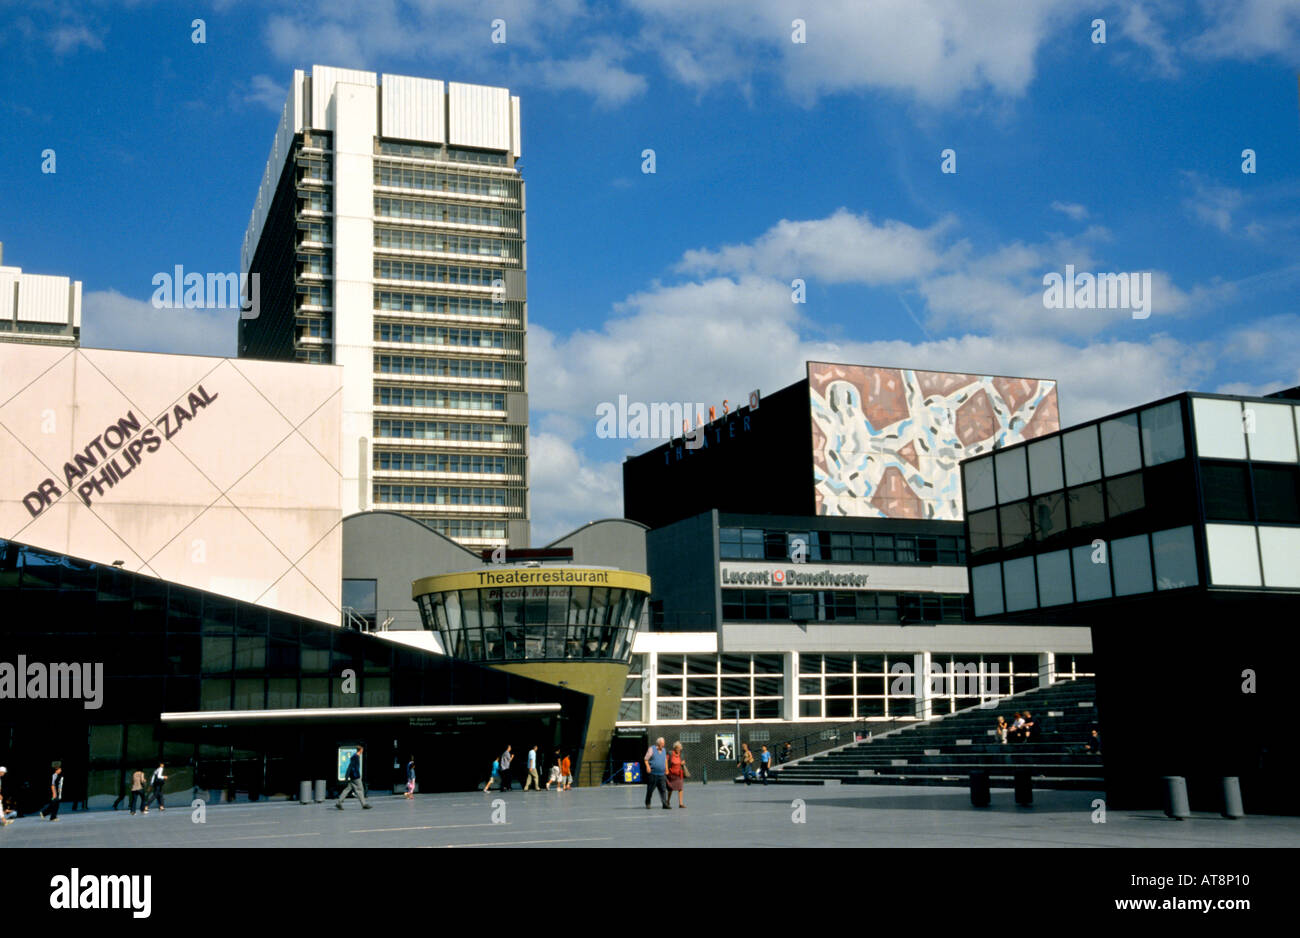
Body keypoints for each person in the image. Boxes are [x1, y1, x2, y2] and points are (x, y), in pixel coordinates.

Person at [644, 737, 670, 809]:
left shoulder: (664, 750)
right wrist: (648, 766)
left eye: (663, 744)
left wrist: (667, 769)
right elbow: (646, 759)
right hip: (653, 774)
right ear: (658, 744)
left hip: (662, 774)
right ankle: (648, 802)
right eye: (662, 744)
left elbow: (665, 760)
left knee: (663, 790)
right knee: (650, 790)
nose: (663, 745)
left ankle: (664, 804)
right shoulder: (651, 749)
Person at [666, 742, 688, 808]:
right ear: (675, 748)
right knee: (670, 788)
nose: (679, 749)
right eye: (677, 748)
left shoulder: (681, 754)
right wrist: (666, 769)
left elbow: (683, 761)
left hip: (679, 773)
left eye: (680, 748)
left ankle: (681, 804)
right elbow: (666, 761)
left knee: (680, 788)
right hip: (671, 773)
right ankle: (668, 801)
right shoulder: (670, 754)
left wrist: (683, 763)